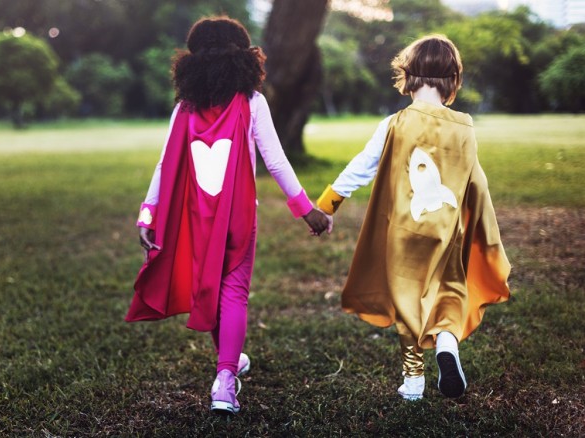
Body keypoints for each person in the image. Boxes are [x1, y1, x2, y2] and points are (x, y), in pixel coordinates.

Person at [125, 16, 331, 414]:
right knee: (233, 291)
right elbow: (276, 161)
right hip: (238, 217)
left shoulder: (184, 109)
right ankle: (225, 378)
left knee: (210, 288)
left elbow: (164, 166)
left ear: (192, 62)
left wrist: (148, 214)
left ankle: (227, 367)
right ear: (245, 59)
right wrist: (307, 210)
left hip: (194, 218)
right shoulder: (252, 102)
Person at [315, 34, 511, 400]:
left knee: (407, 298)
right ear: (453, 80)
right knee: (448, 290)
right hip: (446, 229)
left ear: (407, 75)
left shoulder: (395, 123)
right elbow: (476, 180)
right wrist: (483, 227)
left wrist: (327, 204)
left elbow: (363, 165)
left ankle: (414, 379)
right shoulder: (466, 125)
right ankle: (447, 346)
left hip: (403, 233)